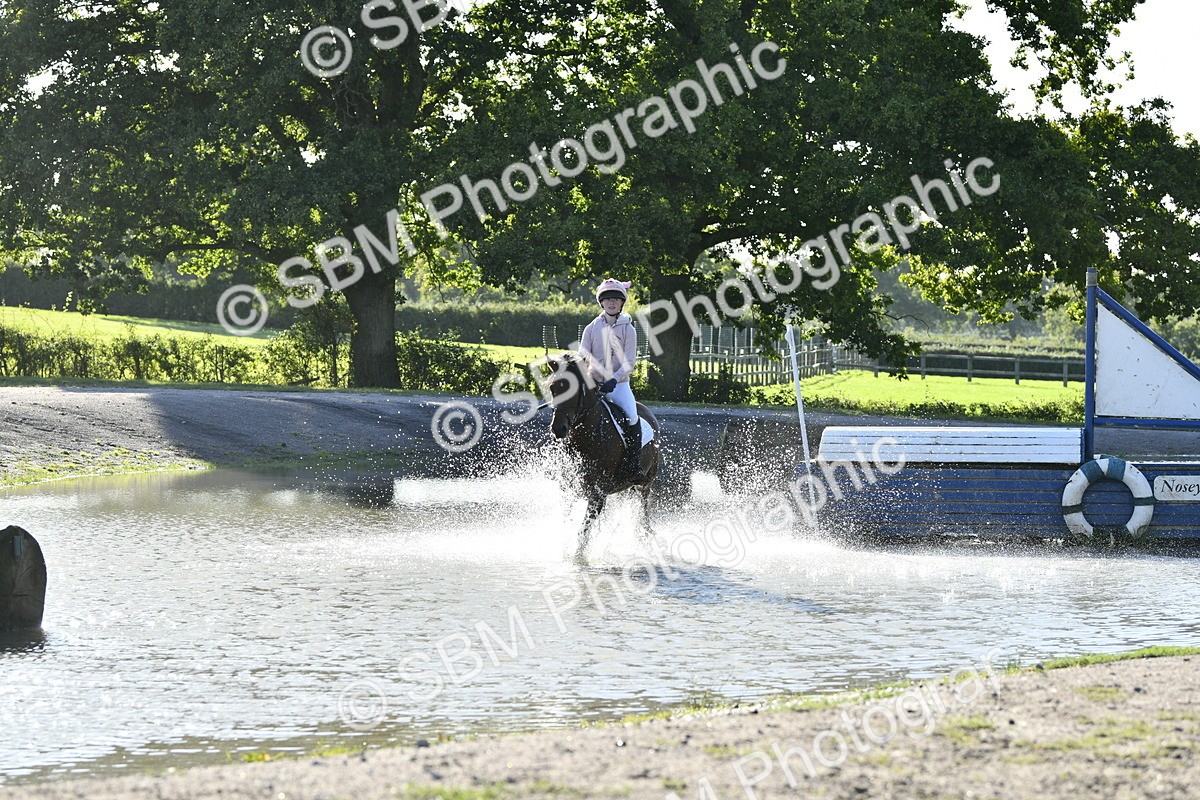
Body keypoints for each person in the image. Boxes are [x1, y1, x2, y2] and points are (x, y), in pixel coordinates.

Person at [579, 278, 648, 483]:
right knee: (571, 412)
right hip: (593, 385)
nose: (611, 303)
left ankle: (633, 465)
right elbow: (582, 356)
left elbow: (629, 363)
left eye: (615, 300)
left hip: (619, 386)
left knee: (632, 416)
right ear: (601, 303)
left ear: (621, 304)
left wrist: (614, 379)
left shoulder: (629, 330)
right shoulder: (591, 329)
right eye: (607, 300)